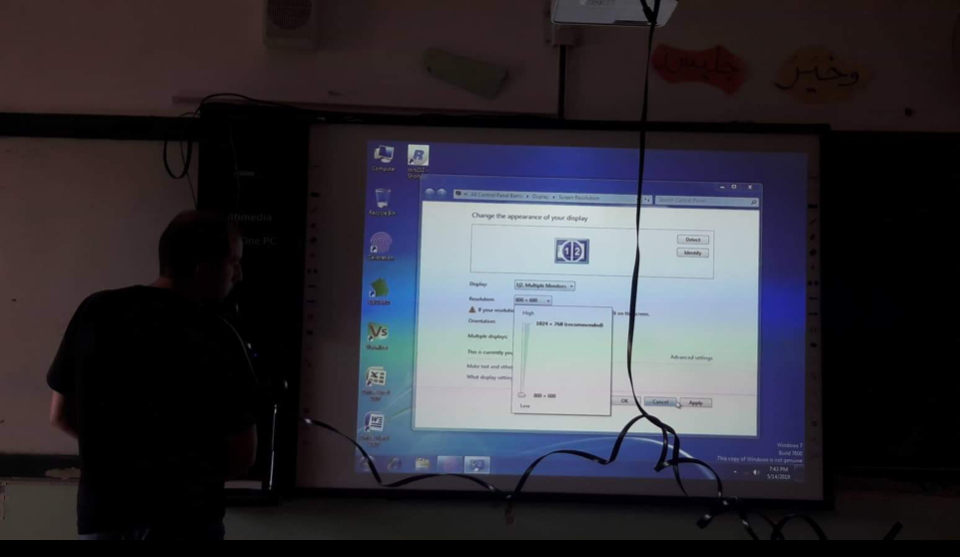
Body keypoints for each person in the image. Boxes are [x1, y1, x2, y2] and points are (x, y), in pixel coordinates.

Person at [47, 211, 259, 541]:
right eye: (234, 262)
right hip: (187, 520)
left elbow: (60, 416)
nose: (239, 274)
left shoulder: (96, 311)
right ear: (203, 268)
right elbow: (242, 455)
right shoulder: (218, 336)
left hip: (104, 515)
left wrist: (119, 461)